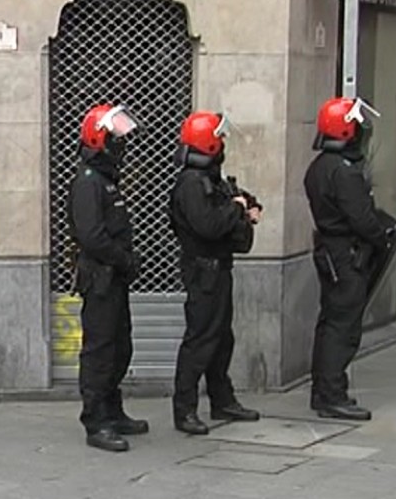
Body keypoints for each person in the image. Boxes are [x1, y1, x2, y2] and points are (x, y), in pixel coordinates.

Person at [168, 111, 262, 435]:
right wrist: (236, 209)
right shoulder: (191, 183)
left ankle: (222, 400)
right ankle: (185, 410)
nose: (222, 144)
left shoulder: (210, 179)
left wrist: (246, 204)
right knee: (200, 341)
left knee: (221, 339)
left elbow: (228, 203)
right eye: (218, 138)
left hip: (218, 270)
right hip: (203, 272)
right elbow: (208, 225)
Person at [67, 103, 149, 452]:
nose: (123, 146)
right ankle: (96, 420)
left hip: (113, 276)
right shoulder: (89, 183)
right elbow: (92, 236)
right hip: (100, 277)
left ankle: (113, 411)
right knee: (100, 350)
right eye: (117, 139)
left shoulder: (105, 180)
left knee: (120, 345)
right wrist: (123, 259)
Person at [304, 96, 390, 421]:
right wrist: (380, 238)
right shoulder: (344, 172)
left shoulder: (320, 167)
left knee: (329, 323)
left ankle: (323, 391)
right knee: (342, 327)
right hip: (346, 255)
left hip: (331, 251)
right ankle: (332, 395)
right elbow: (362, 219)